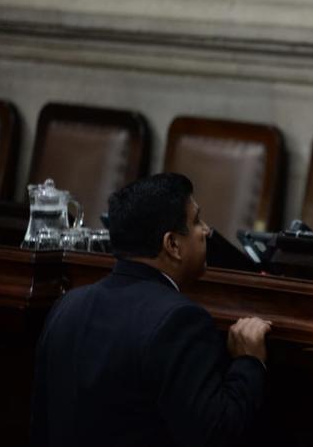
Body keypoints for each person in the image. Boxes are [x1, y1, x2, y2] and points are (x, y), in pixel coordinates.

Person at [31, 172, 271, 447]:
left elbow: (40, 426)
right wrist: (249, 362)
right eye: (197, 221)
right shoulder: (180, 321)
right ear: (173, 245)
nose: (206, 230)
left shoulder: (67, 305)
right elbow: (216, 433)